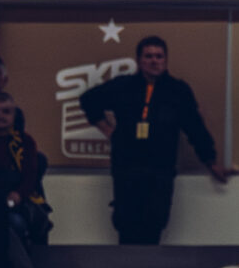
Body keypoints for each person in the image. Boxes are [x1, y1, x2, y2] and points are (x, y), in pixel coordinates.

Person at [78, 36, 230, 246]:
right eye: (148, 56)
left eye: (159, 56)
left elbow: (196, 129)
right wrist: (107, 129)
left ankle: (150, 267)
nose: (154, 61)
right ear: (139, 60)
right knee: (126, 222)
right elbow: (88, 99)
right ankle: (126, 266)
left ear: (166, 60)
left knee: (155, 221)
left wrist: (211, 162)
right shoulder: (123, 86)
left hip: (160, 169)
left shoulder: (178, 91)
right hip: (127, 167)